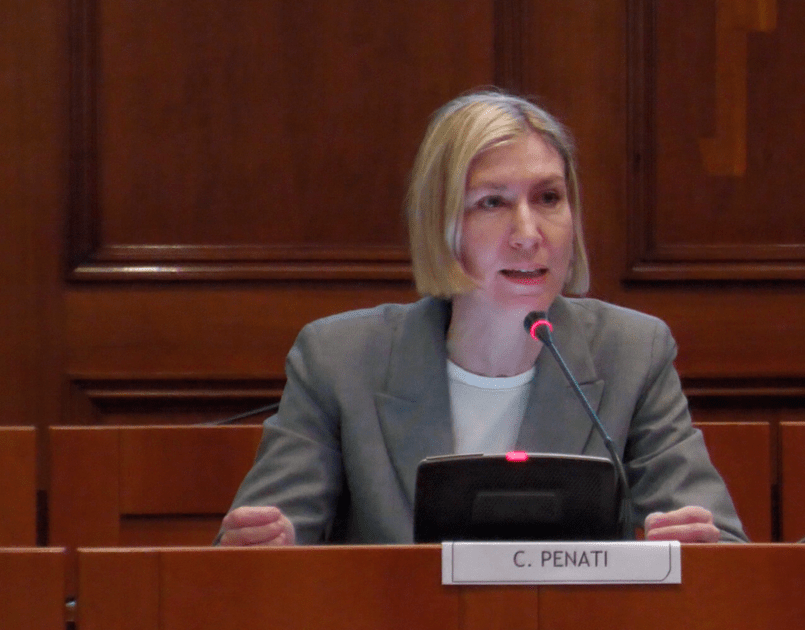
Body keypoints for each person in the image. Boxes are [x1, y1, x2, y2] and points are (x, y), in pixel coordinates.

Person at [218, 90, 748, 546]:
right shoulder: (340, 362)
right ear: (441, 222)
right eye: (493, 202)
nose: (528, 233)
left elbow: (720, 545)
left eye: (548, 198)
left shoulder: (632, 353)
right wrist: (262, 548)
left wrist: (698, 544)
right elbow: (255, 555)